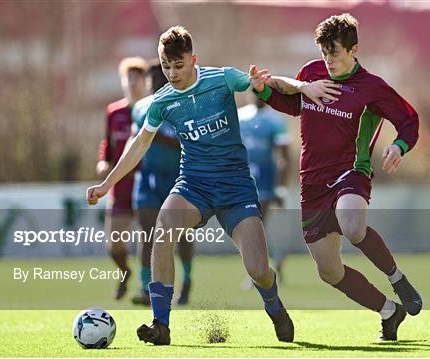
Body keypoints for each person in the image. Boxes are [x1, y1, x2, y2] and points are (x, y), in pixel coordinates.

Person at [86, 26, 332, 345]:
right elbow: (139, 144)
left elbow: (269, 82)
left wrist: (303, 87)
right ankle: (161, 324)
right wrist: (107, 183)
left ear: (193, 59)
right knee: (163, 229)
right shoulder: (162, 101)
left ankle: (274, 306)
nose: (173, 74)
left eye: (179, 65)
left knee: (258, 269)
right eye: (166, 67)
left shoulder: (222, 79)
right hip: (193, 185)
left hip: (236, 188)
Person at [250, 13, 422, 341]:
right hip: (311, 183)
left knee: (352, 225)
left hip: (350, 172)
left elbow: (409, 119)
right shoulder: (311, 73)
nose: (328, 60)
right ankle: (389, 311)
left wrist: (399, 146)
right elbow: (291, 104)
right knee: (329, 271)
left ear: (353, 49)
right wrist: (263, 91)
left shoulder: (372, 87)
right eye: (325, 52)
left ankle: (396, 277)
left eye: (336, 53)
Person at [130, 59, 194, 306]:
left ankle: (187, 280)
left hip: (178, 177)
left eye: (161, 79)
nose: (156, 84)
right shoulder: (140, 109)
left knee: (181, 233)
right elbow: (137, 142)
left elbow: (187, 140)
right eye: (152, 80)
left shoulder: (183, 106)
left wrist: (160, 137)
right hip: (148, 177)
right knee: (147, 233)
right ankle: (146, 288)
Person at [96, 56, 147, 300]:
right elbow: (108, 142)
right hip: (120, 187)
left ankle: (147, 288)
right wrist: (103, 161)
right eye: (129, 78)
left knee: (147, 241)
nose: (132, 83)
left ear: (145, 82)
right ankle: (125, 271)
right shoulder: (113, 112)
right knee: (114, 246)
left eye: (137, 78)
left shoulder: (151, 110)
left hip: (146, 185)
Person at [238, 96, 291, 287]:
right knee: (250, 227)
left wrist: (281, 188)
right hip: (244, 180)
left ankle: (257, 273)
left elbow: (284, 157)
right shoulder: (240, 116)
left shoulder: (275, 120)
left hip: (266, 181)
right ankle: (273, 262)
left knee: (256, 225)